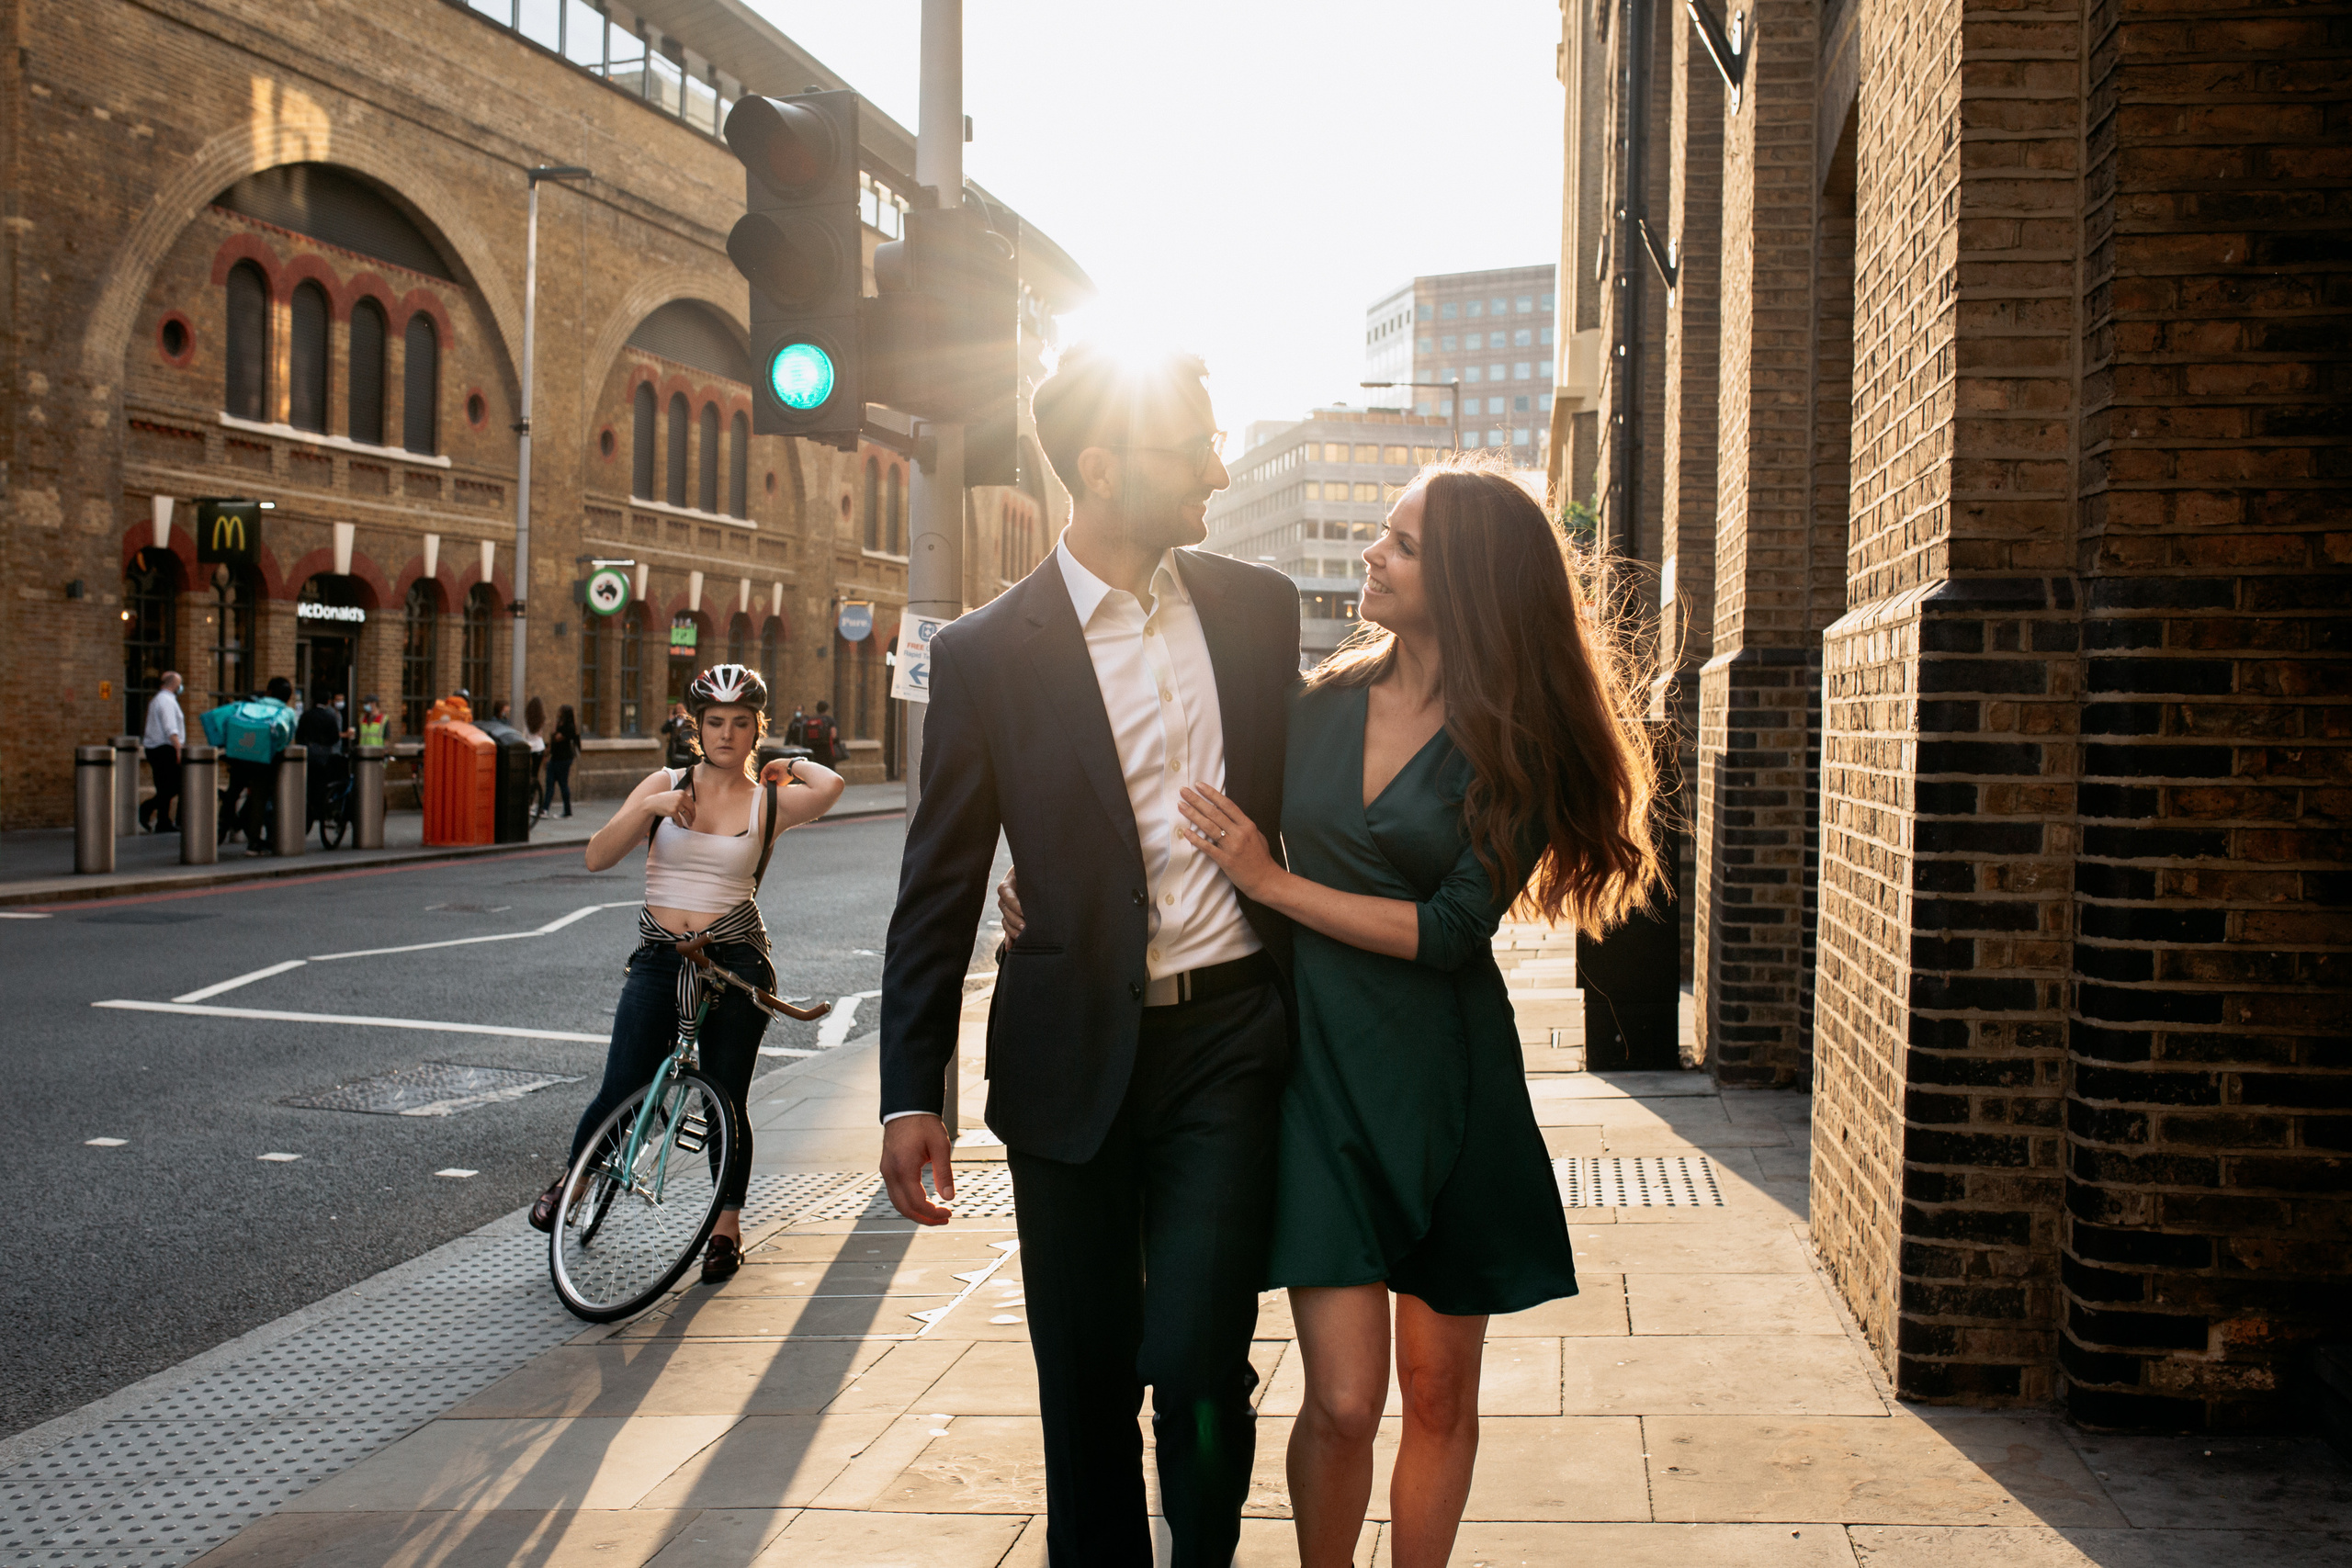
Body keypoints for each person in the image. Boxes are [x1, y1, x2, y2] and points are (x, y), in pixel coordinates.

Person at [1167, 460, 1657, 1567]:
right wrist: (1053, 896)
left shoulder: (1514, 740)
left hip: (1447, 1088)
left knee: (1437, 1398)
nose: (1372, 557)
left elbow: (1449, 930)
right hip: (1317, 1081)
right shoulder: (1316, 706)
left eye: (1401, 543)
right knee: (1341, 1400)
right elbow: (1184, 802)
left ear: (1470, 580)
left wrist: (1274, 882)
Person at [879, 346, 1300, 1568]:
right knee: (1085, 1382)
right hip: (1069, 1057)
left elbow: (1326, 775)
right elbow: (940, 884)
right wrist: (916, 1089)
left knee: (1199, 1354)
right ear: (1104, 467)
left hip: (1229, 1038)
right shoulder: (984, 653)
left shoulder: (1255, 607)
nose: (1219, 469)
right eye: (1195, 449)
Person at [533, 664, 844, 1283]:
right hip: (659, 957)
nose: (725, 734)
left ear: (756, 729)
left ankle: (725, 1229)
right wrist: (650, 804)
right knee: (622, 1081)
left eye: (740, 722)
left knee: (726, 1098)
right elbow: (597, 856)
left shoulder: (769, 800)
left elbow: (831, 782)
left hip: (734, 962)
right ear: (695, 726)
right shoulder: (666, 783)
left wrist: (786, 762)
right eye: (714, 722)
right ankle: (580, 1175)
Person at [138, 671, 186, 833]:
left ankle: (163, 822)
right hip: (164, 749)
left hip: (156, 748)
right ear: (173, 684)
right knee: (177, 785)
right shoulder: (166, 701)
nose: (180, 687)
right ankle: (147, 808)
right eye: (179, 684)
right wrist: (179, 749)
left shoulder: (159, 700)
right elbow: (170, 728)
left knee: (164, 786)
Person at [539, 704, 581, 818]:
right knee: (549, 784)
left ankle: (567, 811)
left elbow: (556, 738)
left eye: (561, 711)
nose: (558, 713)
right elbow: (553, 741)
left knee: (563, 785)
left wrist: (554, 727)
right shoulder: (560, 725)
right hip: (555, 758)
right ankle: (545, 809)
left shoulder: (569, 727)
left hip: (564, 759)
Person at [524, 695, 548, 804]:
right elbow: (540, 734)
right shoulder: (541, 718)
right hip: (539, 748)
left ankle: (526, 796)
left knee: (526, 774)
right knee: (535, 774)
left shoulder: (526, 717)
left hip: (528, 747)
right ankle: (531, 798)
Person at [661, 700, 698, 769]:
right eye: (677, 709)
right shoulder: (673, 721)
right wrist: (670, 720)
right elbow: (663, 730)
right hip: (674, 753)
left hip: (686, 752)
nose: (679, 711)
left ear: (685, 709)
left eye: (680, 708)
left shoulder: (690, 721)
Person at [806, 701, 839, 769]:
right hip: (826, 749)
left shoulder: (810, 720)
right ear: (826, 709)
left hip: (813, 750)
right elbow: (834, 735)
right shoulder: (829, 720)